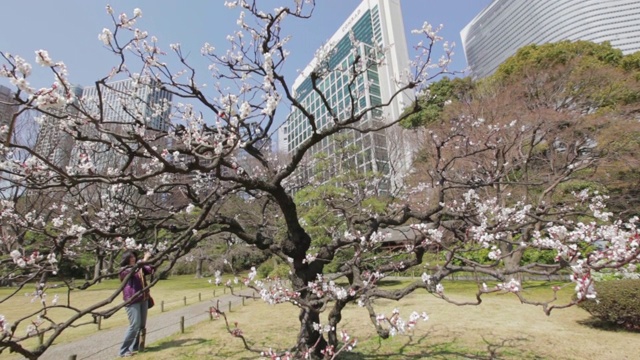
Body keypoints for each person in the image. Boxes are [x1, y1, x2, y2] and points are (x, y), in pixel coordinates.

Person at [119, 250, 154, 357]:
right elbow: (133, 272)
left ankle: (135, 346)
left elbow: (150, 269)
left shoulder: (140, 267)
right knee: (134, 325)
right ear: (126, 259)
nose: (133, 258)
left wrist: (152, 259)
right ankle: (124, 350)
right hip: (132, 300)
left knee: (141, 325)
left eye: (134, 256)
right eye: (130, 257)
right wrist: (144, 260)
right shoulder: (123, 270)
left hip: (143, 298)